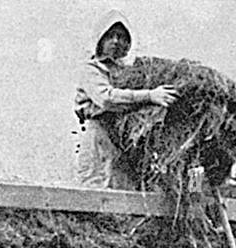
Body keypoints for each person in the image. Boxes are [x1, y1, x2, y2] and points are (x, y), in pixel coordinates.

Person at [74, 9, 178, 189]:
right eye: (110, 36)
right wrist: (150, 95)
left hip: (124, 144)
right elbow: (106, 99)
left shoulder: (130, 74)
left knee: (127, 198)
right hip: (99, 139)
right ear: (100, 40)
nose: (116, 41)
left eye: (121, 37)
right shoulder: (91, 69)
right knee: (97, 192)